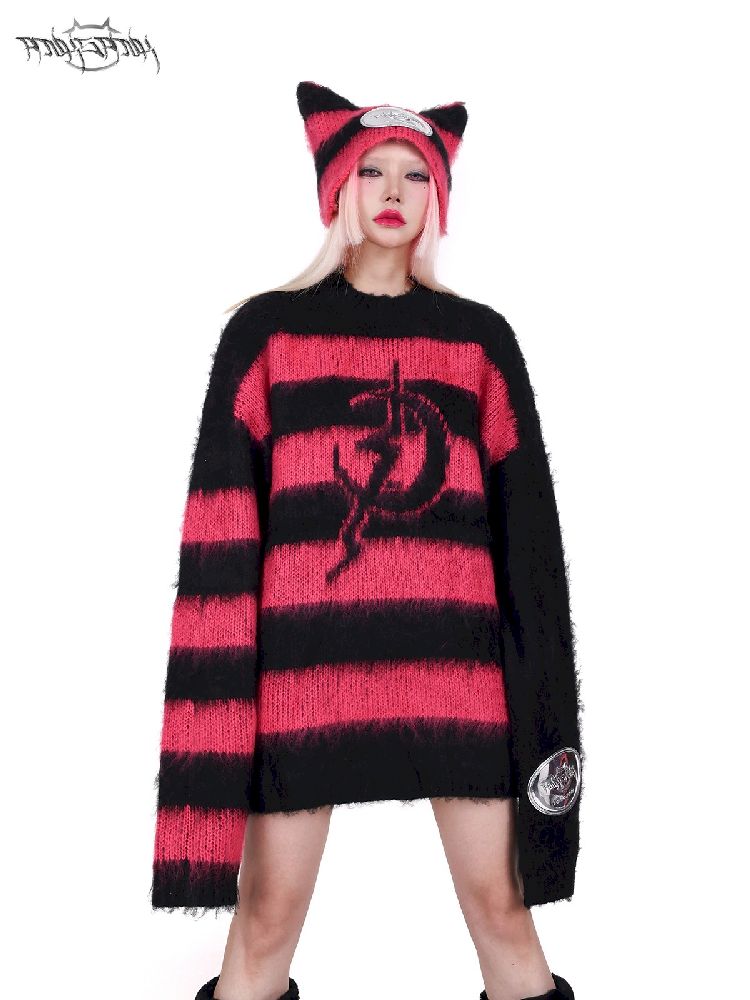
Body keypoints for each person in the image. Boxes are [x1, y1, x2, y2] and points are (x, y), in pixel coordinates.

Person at [150, 81, 585, 1000]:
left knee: (503, 911)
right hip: (304, 679)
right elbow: (224, 530)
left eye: (416, 175)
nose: (393, 191)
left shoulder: (479, 344)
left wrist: (539, 706)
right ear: (337, 189)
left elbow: (529, 548)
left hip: (457, 678)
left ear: (438, 199)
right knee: (266, 920)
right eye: (371, 170)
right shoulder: (265, 336)